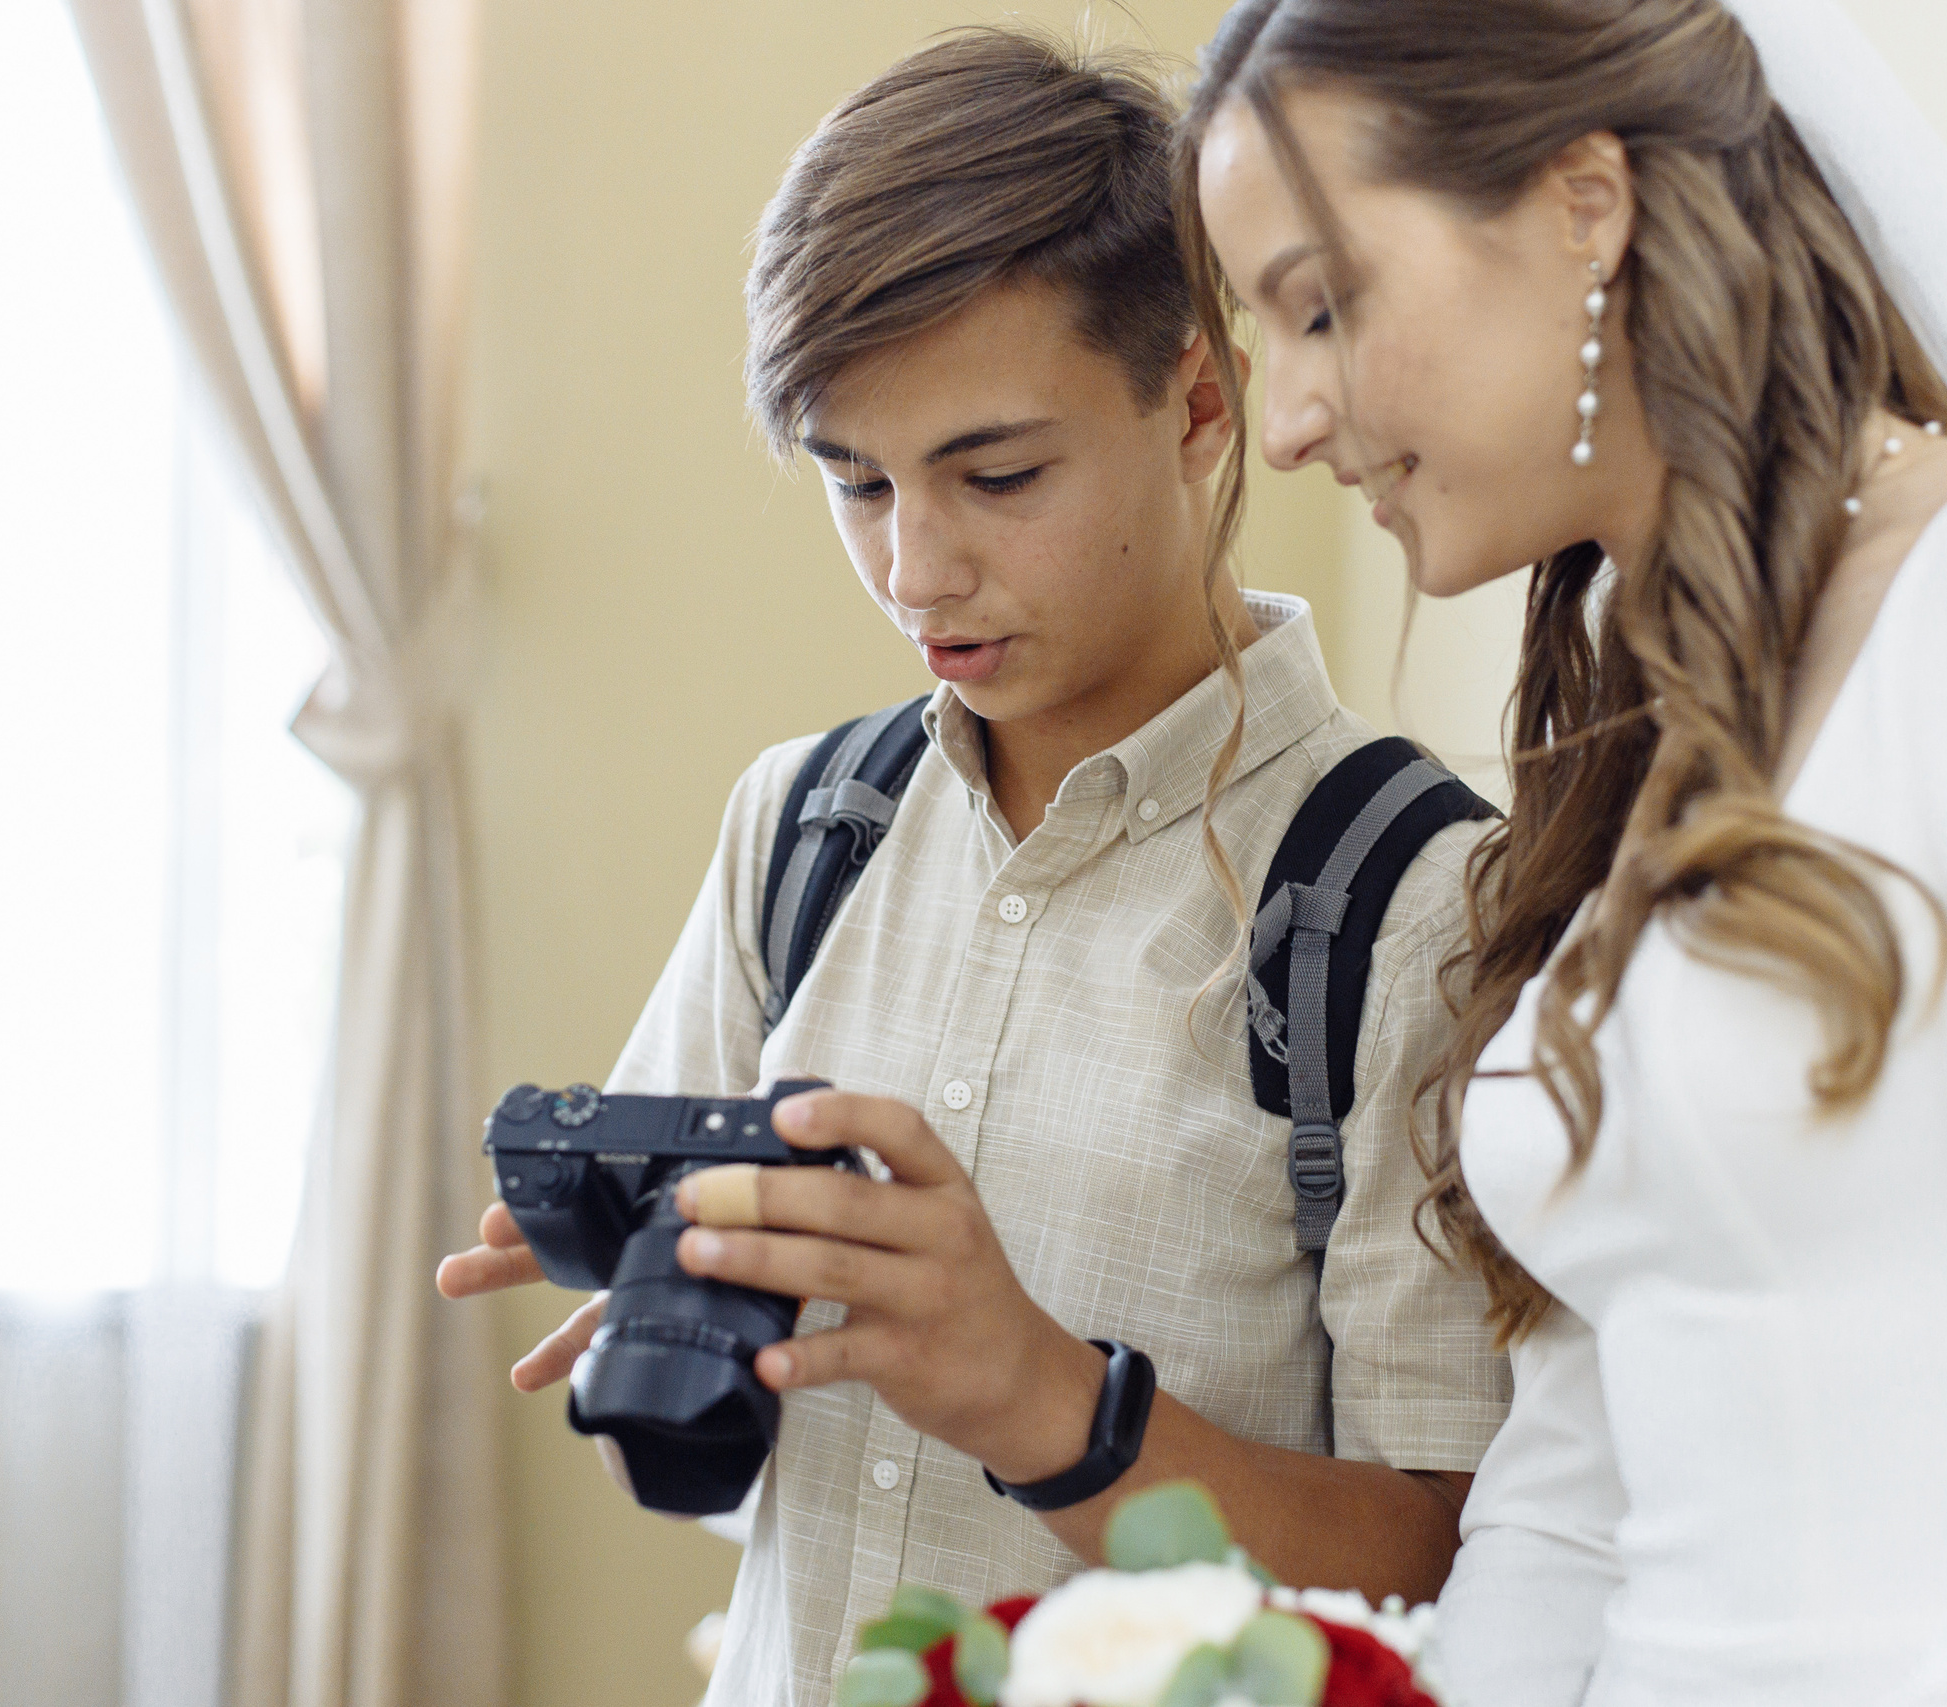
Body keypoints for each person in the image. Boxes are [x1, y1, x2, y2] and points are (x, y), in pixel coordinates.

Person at [1184, 2, 1947, 1704]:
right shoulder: (1650, 741)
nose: (1288, 419)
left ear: (1585, 204)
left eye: (1322, 306)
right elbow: (1570, 1510)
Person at [436, 28, 1507, 1707]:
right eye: (855, 482)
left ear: (1200, 403)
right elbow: (742, 1468)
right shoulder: (803, 824)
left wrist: (1043, 1400)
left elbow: (1449, 1570)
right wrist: (672, 1307)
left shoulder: (1418, 902)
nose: (915, 570)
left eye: (997, 476)